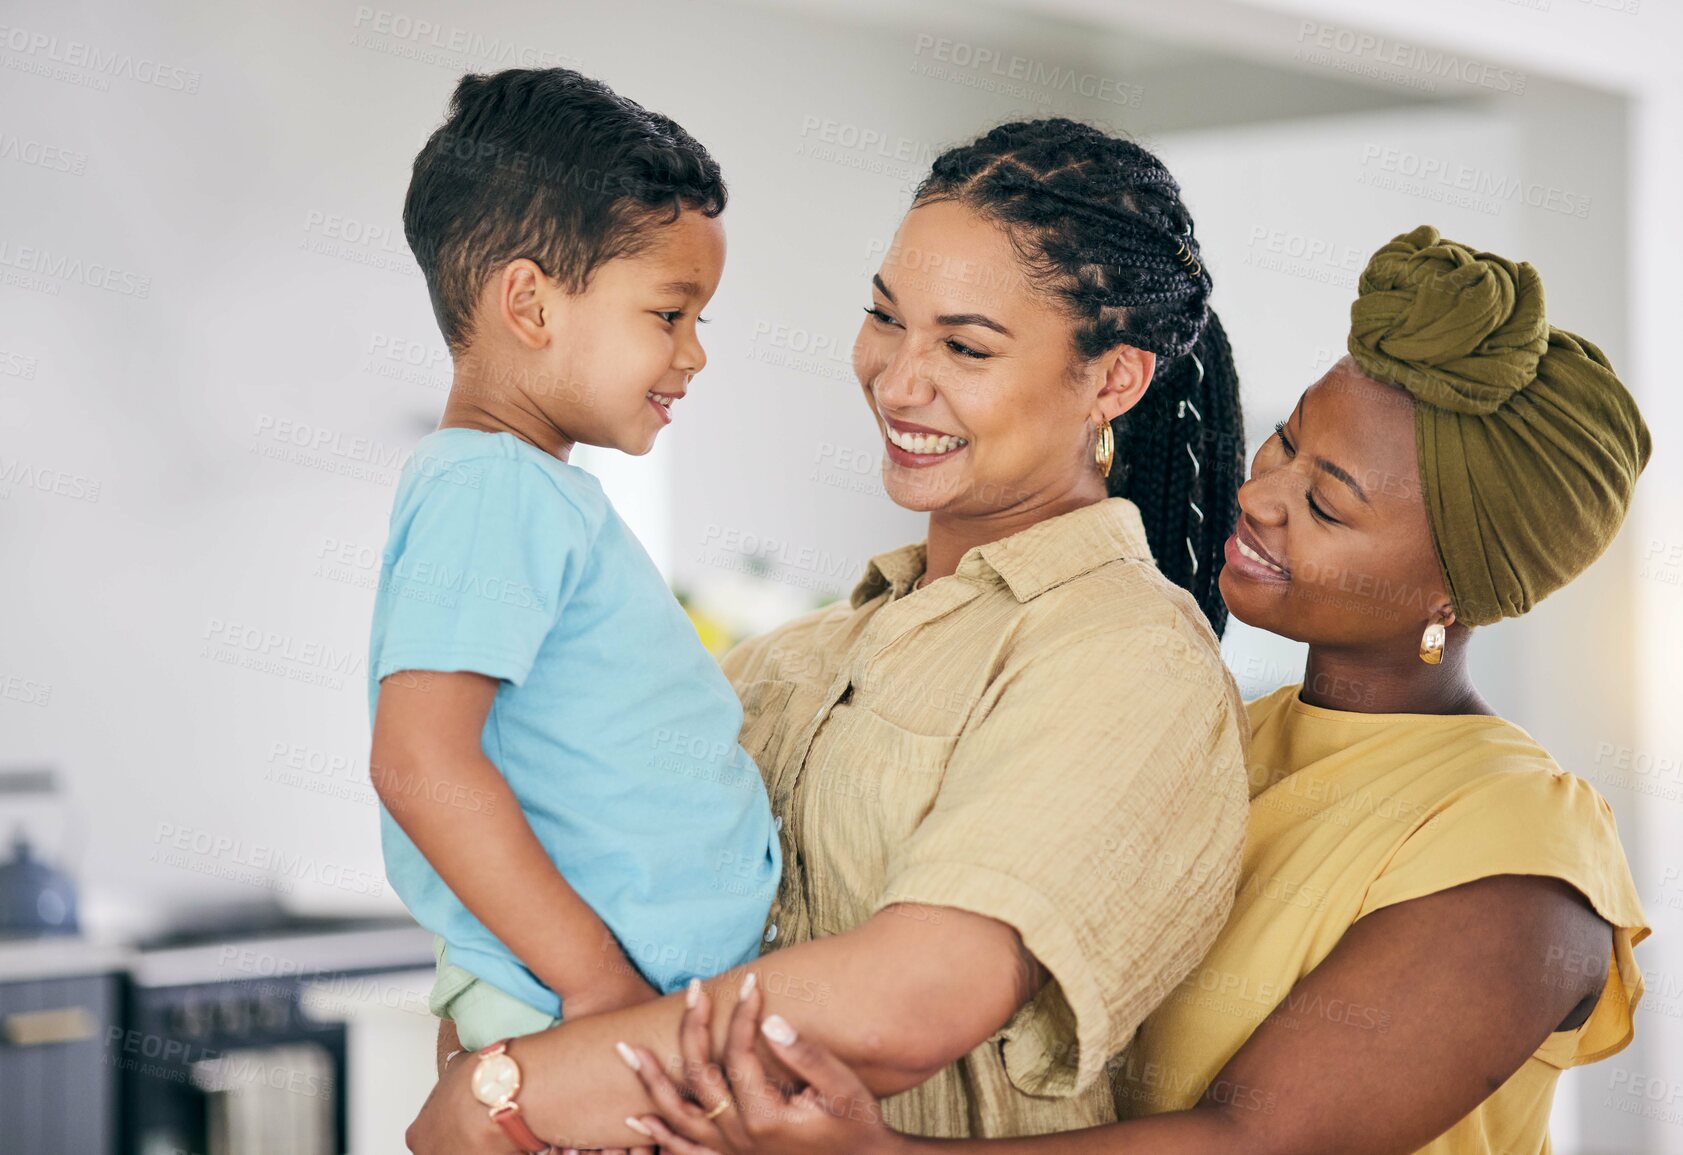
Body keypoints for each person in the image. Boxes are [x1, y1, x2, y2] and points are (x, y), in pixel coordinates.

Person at [618, 226, 1652, 1155]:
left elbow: (1252, 1144)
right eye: (1287, 441)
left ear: (1451, 590)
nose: (1257, 495)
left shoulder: (1519, 852)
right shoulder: (1196, 724)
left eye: (1327, 504)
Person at [404, 118, 1252, 1153]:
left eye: (966, 345)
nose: (898, 379)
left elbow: (909, 1003)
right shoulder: (787, 663)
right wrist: (488, 1036)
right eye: (885, 319)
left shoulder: (1126, 655)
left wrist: (511, 1090)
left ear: (1114, 381)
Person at [367, 65, 779, 1152]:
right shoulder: (493, 489)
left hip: (610, 1012)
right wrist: (599, 995)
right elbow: (420, 761)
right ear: (532, 304)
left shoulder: (523, 489)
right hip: (580, 1017)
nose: (693, 352)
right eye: (669, 313)